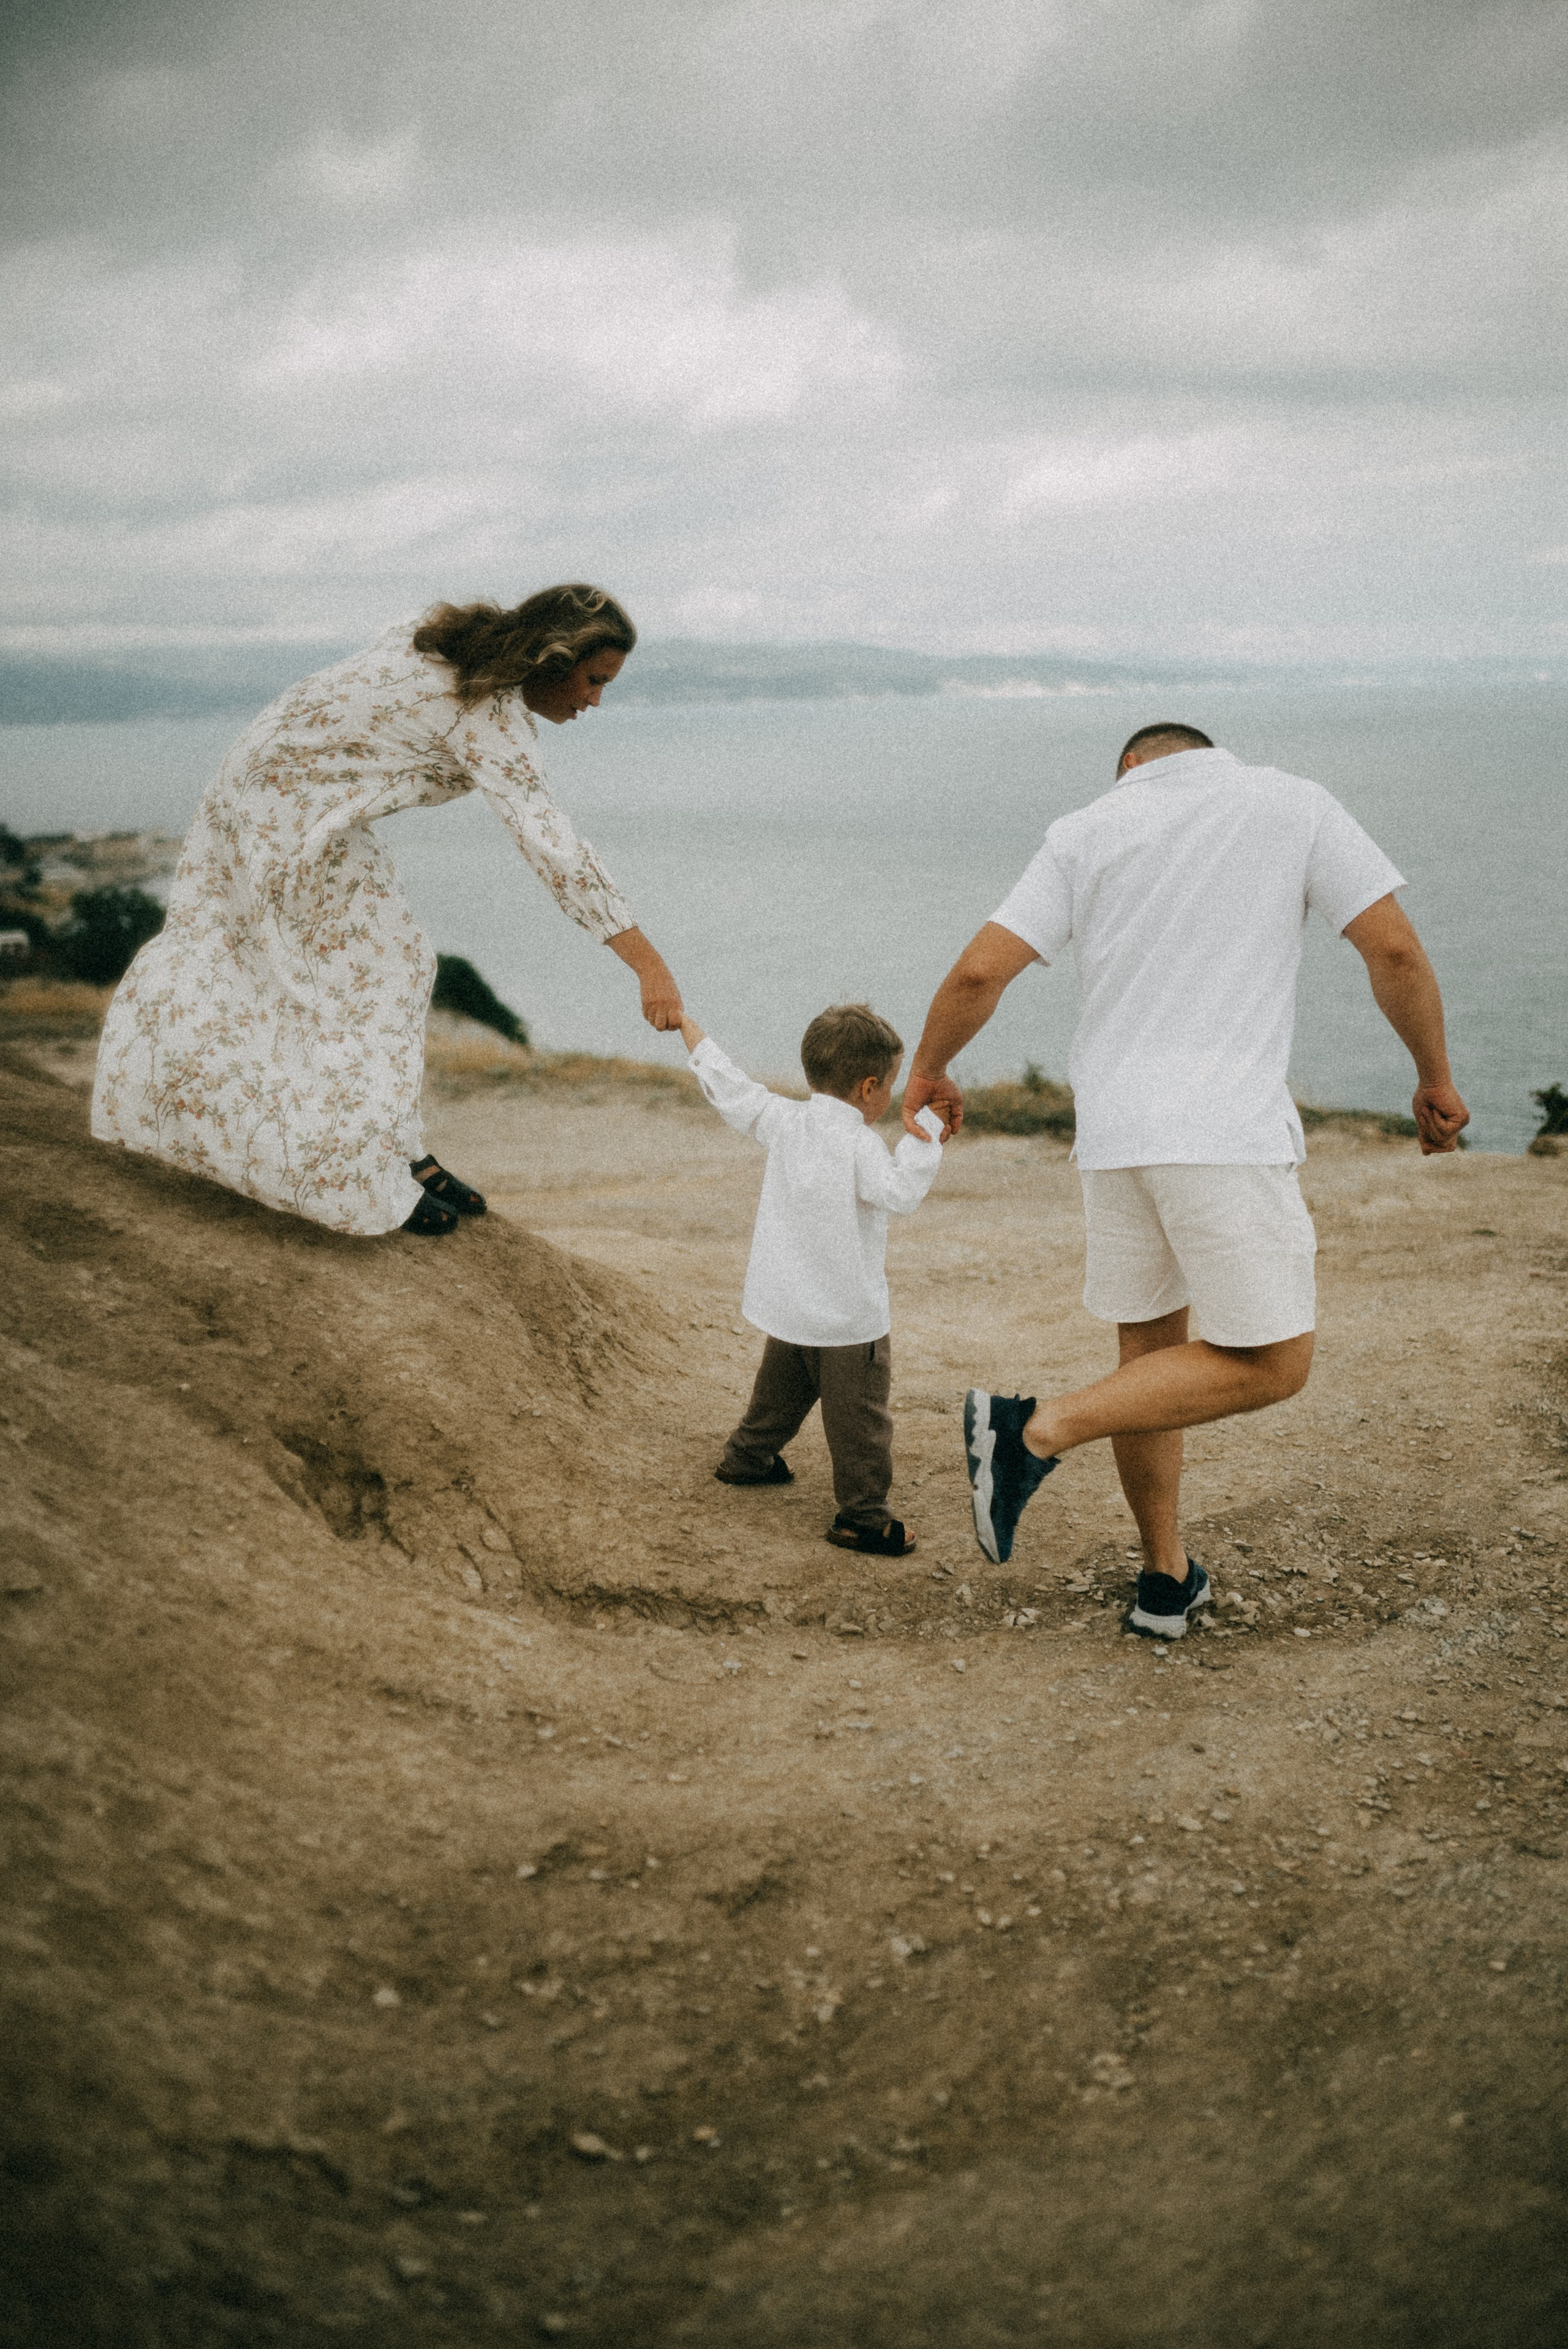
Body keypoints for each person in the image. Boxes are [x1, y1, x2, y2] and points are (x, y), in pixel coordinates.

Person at [902, 720, 1469, 1636]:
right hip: (1224, 1131)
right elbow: (1394, 950)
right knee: (1277, 1363)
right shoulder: (1292, 801)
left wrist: (926, 1070)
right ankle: (1033, 1428)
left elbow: (978, 970)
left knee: (1153, 1358)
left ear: (1130, 766)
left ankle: (1164, 1578)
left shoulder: (1085, 829)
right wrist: (1433, 1077)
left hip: (1116, 1135)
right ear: (1207, 753)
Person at [92, 585, 684, 1238]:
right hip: (281, 814)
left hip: (288, 800)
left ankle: (397, 1150)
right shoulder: (486, 716)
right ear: (550, 657)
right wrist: (648, 967)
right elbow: (556, 851)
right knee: (369, 977)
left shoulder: (440, 639)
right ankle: (355, 1174)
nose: (595, 700)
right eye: (594, 680)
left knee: (392, 964)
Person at [679, 1002, 945, 1556]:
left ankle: (747, 1459)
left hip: (788, 1306)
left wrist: (690, 1030)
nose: (891, 1097)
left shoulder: (783, 1119)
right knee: (860, 1424)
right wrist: (929, 1136)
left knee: (777, 1394)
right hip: (847, 1321)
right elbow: (900, 1194)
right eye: (891, 1086)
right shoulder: (860, 1144)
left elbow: (732, 1089)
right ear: (868, 1087)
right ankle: (864, 1518)